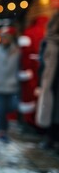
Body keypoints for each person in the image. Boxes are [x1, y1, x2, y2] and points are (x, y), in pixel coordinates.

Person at [35, 11, 59, 151]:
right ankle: (51, 138)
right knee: (52, 109)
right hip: (52, 79)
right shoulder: (49, 41)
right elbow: (42, 62)